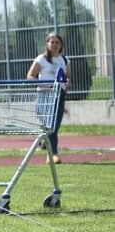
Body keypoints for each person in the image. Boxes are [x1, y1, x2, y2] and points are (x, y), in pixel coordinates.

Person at [27, 32, 71, 164]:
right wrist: (44, 85)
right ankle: (53, 154)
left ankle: (52, 152)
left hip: (59, 95)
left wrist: (68, 83)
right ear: (47, 44)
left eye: (57, 42)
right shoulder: (41, 59)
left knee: (54, 126)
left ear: (61, 44)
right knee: (48, 124)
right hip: (45, 95)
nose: (54, 44)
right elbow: (30, 76)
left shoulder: (65, 60)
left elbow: (68, 78)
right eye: (52, 42)